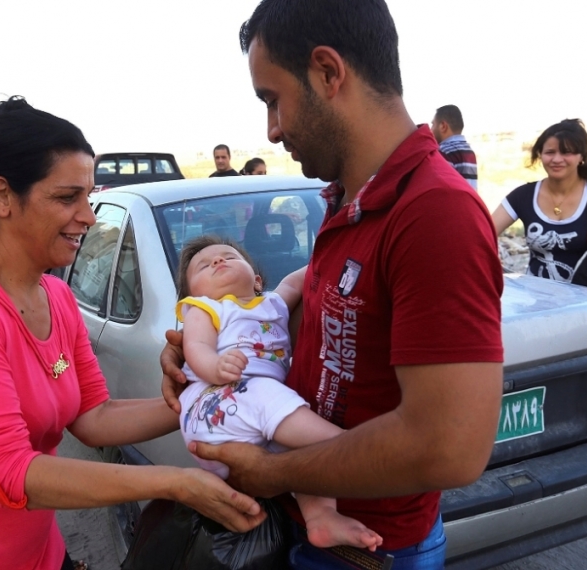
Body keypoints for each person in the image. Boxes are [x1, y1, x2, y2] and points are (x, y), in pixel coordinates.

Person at [162, 1, 505, 567]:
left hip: (372, 548)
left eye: (272, 101)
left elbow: (451, 448)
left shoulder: (433, 213)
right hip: (320, 526)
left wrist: (274, 472)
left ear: (327, 72)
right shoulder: (348, 201)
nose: (271, 131)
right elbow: (325, 341)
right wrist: (209, 353)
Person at [0, 96, 264, 570]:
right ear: (2, 197)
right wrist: (173, 482)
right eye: (66, 197)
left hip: (40, 555)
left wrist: (208, 395)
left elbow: (93, 416)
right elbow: (8, 472)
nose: (90, 217)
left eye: (89, 196)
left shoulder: (56, 297)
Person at [177, 234, 382, 551]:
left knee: (299, 459)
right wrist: (214, 366)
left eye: (229, 257)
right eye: (204, 265)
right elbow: (196, 346)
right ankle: (347, 443)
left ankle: (321, 517)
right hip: (214, 402)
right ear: (193, 293)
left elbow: (309, 272)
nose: (218, 261)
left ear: (256, 280)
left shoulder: (272, 303)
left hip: (251, 418)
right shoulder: (205, 308)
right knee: (270, 397)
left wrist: (347, 249)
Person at [491, 118, 587, 283]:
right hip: (538, 299)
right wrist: (490, 254)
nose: (556, 159)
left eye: (566, 152)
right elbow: (484, 231)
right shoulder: (523, 195)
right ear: (540, 155)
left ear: (581, 156)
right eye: (550, 152)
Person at [431, 104, 477, 191]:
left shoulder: (443, 151)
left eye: (433, 124)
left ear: (443, 126)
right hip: (470, 203)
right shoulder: (469, 151)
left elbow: (441, 188)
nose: (431, 130)